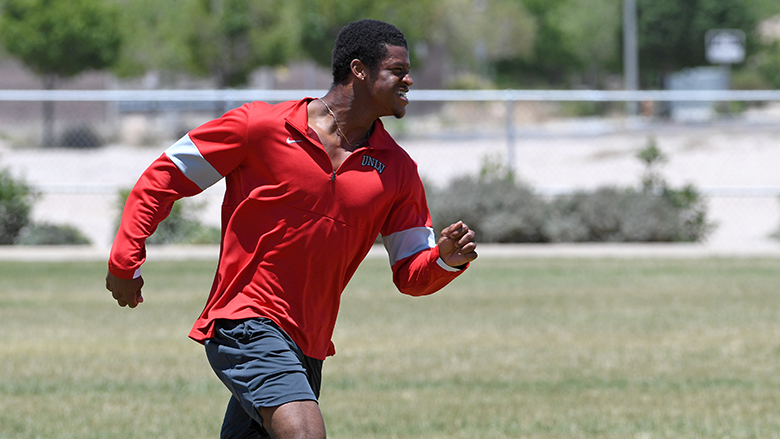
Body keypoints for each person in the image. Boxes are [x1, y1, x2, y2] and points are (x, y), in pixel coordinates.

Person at [105, 19, 477, 439]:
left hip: (308, 345)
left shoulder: (398, 170)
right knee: (304, 434)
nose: (409, 80)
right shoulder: (259, 126)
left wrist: (446, 260)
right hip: (246, 321)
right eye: (397, 70)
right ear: (359, 70)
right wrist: (125, 260)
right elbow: (164, 177)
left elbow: (411, 274)